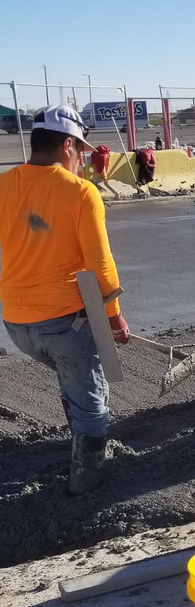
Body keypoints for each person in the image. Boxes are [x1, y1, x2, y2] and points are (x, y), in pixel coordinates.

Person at [0, 105, 129, 493]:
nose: (81, 161)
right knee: (90, 399)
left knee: (73, 379)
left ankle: (80, 447)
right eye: (81, 153)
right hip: (63, 323)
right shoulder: (80, 192)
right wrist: (114, 315)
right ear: (68, 146)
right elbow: (100, 263)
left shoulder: (4, 185)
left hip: (16, 324)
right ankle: (86, 487)